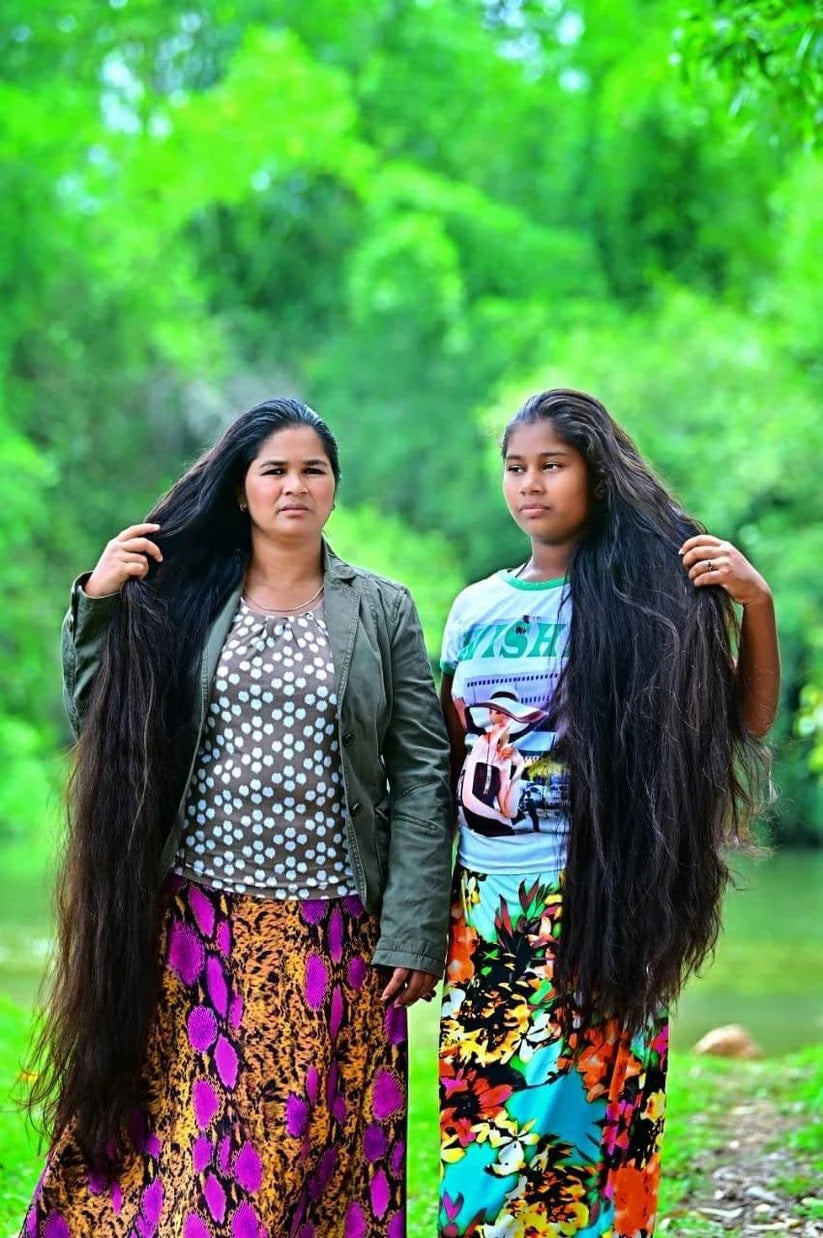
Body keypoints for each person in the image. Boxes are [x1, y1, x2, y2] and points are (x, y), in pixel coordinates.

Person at [24, 398, 452, 1238]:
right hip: (197, 923)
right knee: (200, 1145)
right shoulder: (184, 599)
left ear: (334, 487)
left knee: (312, 1143)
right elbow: (100, 721)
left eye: (313, 470)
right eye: (275, 470)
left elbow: (422, 770)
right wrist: (100, 601)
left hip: (336, 928)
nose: (295, 486)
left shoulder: (382, 609)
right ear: (240, 489)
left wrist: (412, 928)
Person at [437, 388, 780, 1237]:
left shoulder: (646, 599)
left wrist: (755, 604)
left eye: (552, 466)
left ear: (595, 474)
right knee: (481, 1142)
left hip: (601, 901)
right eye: (516, 468)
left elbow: (747, 718)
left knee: (582, 1138)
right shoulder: (474, 607)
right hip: (484, 909)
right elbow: (449, 753)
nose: (530, 485)